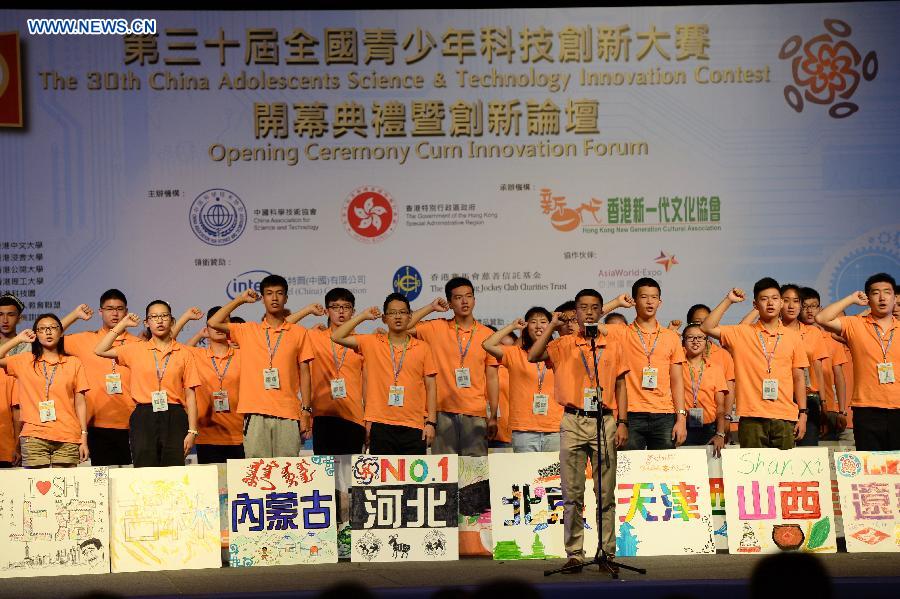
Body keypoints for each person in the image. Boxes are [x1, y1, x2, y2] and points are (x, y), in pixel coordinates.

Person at [528, 289, 628, 573]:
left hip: (605, 420)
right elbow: (533, 355)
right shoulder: (563, 344)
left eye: (595, 307)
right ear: (576, 311)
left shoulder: (612, 344)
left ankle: (606, 552)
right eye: (583, 308)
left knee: (605, 493)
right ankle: (574, 553)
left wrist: (623, 422)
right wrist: (552, 324)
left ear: (600, 311)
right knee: (572, 493)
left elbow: (621, 385)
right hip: (572, 420)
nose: (589, 312)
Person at [207, 275, 314, 458]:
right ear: (262, 298)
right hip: (255, 412)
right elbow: (213, 322)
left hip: (288, 412)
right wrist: (240, 300)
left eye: (279, 293)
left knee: (286, 471)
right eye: (269, 293)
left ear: (286, 298)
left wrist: (306, 410)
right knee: (258, 471)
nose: (274, 298)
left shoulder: (299, 332)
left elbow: (305, 372)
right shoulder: (247, 330)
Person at [701, 280, 809, 449]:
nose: (770, 303)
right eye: (764, 299)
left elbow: (799, 378)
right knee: (754, 475)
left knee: (784, 474)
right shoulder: (742, 333)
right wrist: (729, 300)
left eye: (775, 298)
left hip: (785, 416)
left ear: (781, 302)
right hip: (752, 417)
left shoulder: (793, 337)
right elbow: (706, 327)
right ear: (755, 304)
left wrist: (803, 413)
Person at [95, 302, 200, 467]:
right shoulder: (136, 349)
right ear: (147, 323)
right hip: (144, 415)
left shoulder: (184, 353)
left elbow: (191, 394)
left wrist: (192, 430)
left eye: (164, 316)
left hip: (175, 415)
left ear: (172, 321)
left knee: (173, 470)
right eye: (154, 317)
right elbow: (100, 349)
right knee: (144, 469)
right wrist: (122, 324)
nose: (159, 321)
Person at [331, 293, 437, 455]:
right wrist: (363, 316)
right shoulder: (371, 342)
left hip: (414, 424)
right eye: (392, 313)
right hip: (381, 425)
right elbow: (337, 336)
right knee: (384, 480)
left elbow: (431, 386)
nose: (398, 317)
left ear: (410, 316)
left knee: (413, 479)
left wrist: (431, 422)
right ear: (384, 318)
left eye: (402, 312)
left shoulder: (423, 348)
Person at [406, 277, 498, 456]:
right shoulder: (436, 327)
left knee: (475, 474)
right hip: (442, 412)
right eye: (458, 297)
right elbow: (403, 327)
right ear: (449, 302)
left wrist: (493, 415)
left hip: (475, 412)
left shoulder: (487, 334)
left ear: (474, 300)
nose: (464, 301)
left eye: (469, 296)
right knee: (446, 473)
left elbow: (493, 377)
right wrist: (430, 307)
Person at [600, 278, 687, 450]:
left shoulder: (671, 337)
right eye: (644, 297)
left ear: (660, 302)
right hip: (631, 415)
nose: (649, 302)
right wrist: (616, 303)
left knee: (663, 473)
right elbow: (587, 323)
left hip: (664, 415)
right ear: (634, 301)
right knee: (631, 474)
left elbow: (677, 381)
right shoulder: (622, 332)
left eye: (654, 297)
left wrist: (681, 418)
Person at [815, 273, 899, 450]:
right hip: (867, 408)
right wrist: (852, 299)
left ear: (894, 298)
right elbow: (822, 319)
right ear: (868, 298)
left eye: (887, 292)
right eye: (876, 293)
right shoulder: (856, 324)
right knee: (870, 469)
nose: (882, 297)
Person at [61, 289, 143, 466]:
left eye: (120, 309)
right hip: (94, 424)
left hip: (131, 423)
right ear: (100, 312)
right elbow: (49, 335)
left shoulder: (138, 344)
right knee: (101, 483)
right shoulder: (85, 339)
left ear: (126, 312)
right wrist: (75, 315)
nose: (115, 313)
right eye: (109, 309)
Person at [0, 314, 89, 468]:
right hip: (34, 435)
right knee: (36, 489)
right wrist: (18, 339)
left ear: (61, 332)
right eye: (42, 329)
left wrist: (84, 437)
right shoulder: (24, 360)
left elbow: (80, 403)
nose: (48, 332)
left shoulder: (73, 362)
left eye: (53, 328)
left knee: (64, 488)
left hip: (67, 435)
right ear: (36, 334)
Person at [287, 288, 366, 456]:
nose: (341, 311)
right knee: (326, 476)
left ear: (354, 311)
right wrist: (308, 310)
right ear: (327, 311)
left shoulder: (361, 342)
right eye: (335, 307)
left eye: (346, 306)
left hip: (354, 417)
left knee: (351, 477)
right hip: (323, 416)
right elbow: (282, 328)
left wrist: (369, 419)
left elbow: (367, 383)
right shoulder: (315, 337)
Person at [483, 307, 562, 453]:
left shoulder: (559, 351)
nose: (538, 326)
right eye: (533, 322)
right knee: (527, 476)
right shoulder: (514, 353)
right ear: (526, 326)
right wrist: (512, 326)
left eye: (543, 322)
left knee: (554, 476)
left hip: (555, 428)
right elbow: (487, 345)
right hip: (524, 430)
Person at [173, 307, 246, 464]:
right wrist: (187, 317)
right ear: (207, 328)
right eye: (214, 324)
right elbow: (170, 343)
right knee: (213, 488)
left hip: (239, 435)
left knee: (239, 488)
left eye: (223, 322)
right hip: (206, 436)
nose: (218, 327)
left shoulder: (243, 355)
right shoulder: (196, 355)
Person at [799, 287, 849, 441]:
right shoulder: (792, 336)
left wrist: (842, 410)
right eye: (805, 306)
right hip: (801, 401)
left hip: (829, 408)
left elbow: (839, 376)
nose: (809, 311)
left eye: (813, 306)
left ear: (820, 308)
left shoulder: (831, 339)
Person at [680, 324, 728, 455]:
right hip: (683, 427)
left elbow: (720, 407)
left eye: (700, 337)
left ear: (707, 342)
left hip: (709, 428)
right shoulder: (677, 367)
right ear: (683, 342)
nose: (695, 341)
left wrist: (720, 433)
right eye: (690, 337)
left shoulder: (715, 368)